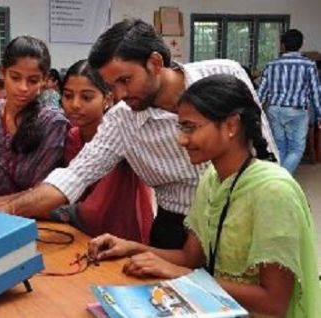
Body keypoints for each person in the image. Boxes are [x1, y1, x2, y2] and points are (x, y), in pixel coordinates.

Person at [0, 19, 277, 249]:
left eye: (125, 81)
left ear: (154, 62)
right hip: (176, 229)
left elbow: (265, 155)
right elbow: (73, 177)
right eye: (111, 86)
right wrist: (2, 209)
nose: (118, 95)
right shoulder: (123, 119)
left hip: (243, 217)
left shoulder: (224, 74)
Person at [87, 74, 321, 317]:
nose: (181, 139)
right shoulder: (212, 178)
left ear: (231, 126)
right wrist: (130, 247)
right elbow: (189, 257)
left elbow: (273, 303)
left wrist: (183, 277)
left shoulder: (273, 191)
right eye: (181, 127)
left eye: (190, 127)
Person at [50, 59, 153, 243]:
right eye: (67, 95)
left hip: (121, 235)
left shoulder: (120, 136)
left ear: (107, 99)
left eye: (86, 97)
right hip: (78, 234)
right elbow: (70, 190)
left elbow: (96, 207)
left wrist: (57, 210)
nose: (75, 104)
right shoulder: (72, 136)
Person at [0, 35, 69, 198]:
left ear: (44, 80)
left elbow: (42, 190)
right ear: (3, 73)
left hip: (38, 217)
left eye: (32, 80)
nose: (23, 88)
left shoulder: (52, 124)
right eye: (15, 78)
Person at [258, 29, 321, 173]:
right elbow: (316, 93)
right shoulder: (309, 65)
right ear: (301, 45)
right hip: (297, 111)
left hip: (274, 110)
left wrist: (256, 110)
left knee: (280, 147)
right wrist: (319, 115)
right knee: (297, 149)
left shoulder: (271, 65)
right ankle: (279, 180)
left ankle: (278, 178)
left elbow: (261, 93)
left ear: (283, 45)